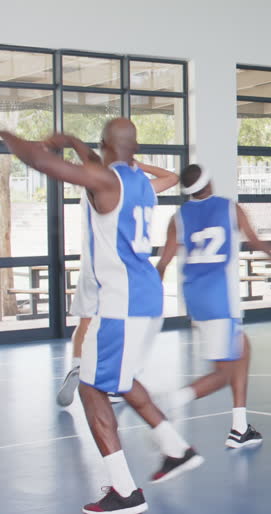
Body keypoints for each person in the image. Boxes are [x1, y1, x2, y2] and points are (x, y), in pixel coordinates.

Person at [2, 121, 202, 514]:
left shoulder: (106, 181)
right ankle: (176, 448)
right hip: (146, 298)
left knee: (91, 388)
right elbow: (94, 161)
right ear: (134, 148)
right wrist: (75, 142)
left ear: (105, 146)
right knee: (121, 380)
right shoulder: (140, 183)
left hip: (120, 303)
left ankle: (125, 492)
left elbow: (40, 161)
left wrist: (6, 134)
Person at [155, 164, 271, 449]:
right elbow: (254, 241)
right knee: (224, 372)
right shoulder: (230, 208)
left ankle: (240, 427)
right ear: (208, 182)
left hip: (194, 298)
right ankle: (172, 401)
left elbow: (163, 262)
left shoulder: (178, 217)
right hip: (220, 299)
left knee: (242, 349)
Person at [54, 135, 179, 407]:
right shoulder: (136, 187)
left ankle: (78, 366)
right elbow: (172, 177)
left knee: (87, 321)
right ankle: (112, 377)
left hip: (94, 263)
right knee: (122, 322)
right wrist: (140, 165)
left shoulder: (99, 185)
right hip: (124, 269)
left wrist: (73, 144)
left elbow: (89, 163)